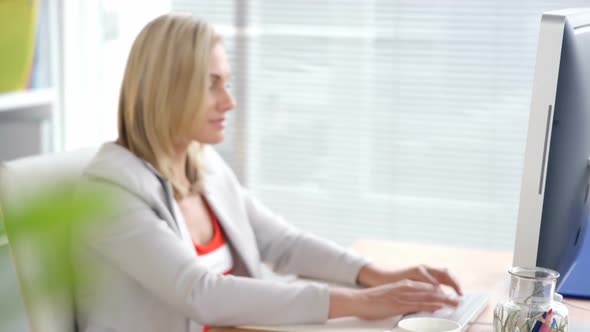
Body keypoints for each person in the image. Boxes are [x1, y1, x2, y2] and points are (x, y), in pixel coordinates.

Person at [73, 13, 463, 332]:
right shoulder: (107, 194)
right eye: (211, 86)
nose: (229, 101)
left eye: (226, 83)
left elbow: (283, 244)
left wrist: (377, 275)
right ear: (164, 89)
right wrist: (361, 301)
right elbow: (200, 293)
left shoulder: (203, 166)